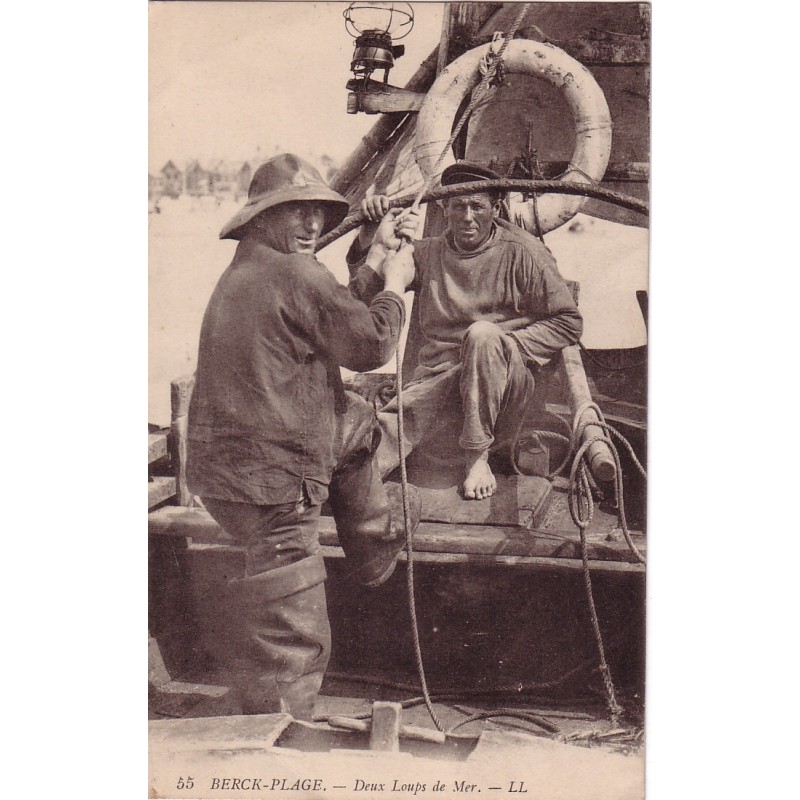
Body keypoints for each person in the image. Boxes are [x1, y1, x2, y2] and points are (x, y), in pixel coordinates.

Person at [185, 153, 420, 721]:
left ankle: (373, 553)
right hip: (274, 482)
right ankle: (281, 737)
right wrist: (394, 284)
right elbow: (367, 346)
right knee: (294, 625)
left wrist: (373, 249)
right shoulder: (296, 273)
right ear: (262, 218)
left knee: (358, 419)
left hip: (226, 472)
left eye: (317, 212)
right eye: (296, 213)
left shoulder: (252, 268)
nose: (312, 225)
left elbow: (325, 313)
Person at [348, 162, 583, 500]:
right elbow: (360, 303)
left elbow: (568, 321)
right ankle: (353, 477)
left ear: (496, 208)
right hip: (439, 387)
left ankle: (477, 457)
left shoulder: (524, 253)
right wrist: (372, 239)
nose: (468, 216)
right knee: (397, 419)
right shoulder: (425, 253)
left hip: (504, 393)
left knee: (482, 336)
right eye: (458, 206)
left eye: (478, 206)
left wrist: (503, 347)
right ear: (444, 209)